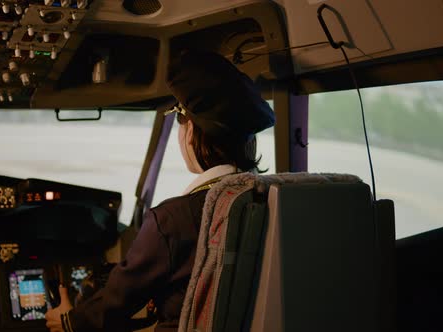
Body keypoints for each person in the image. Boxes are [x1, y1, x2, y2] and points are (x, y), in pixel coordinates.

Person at [45, 50, 275, 332]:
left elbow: (115, 304)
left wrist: (69, 321)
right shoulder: (271, 201)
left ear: (191, 131)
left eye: (178, 116)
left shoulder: (172, 220)